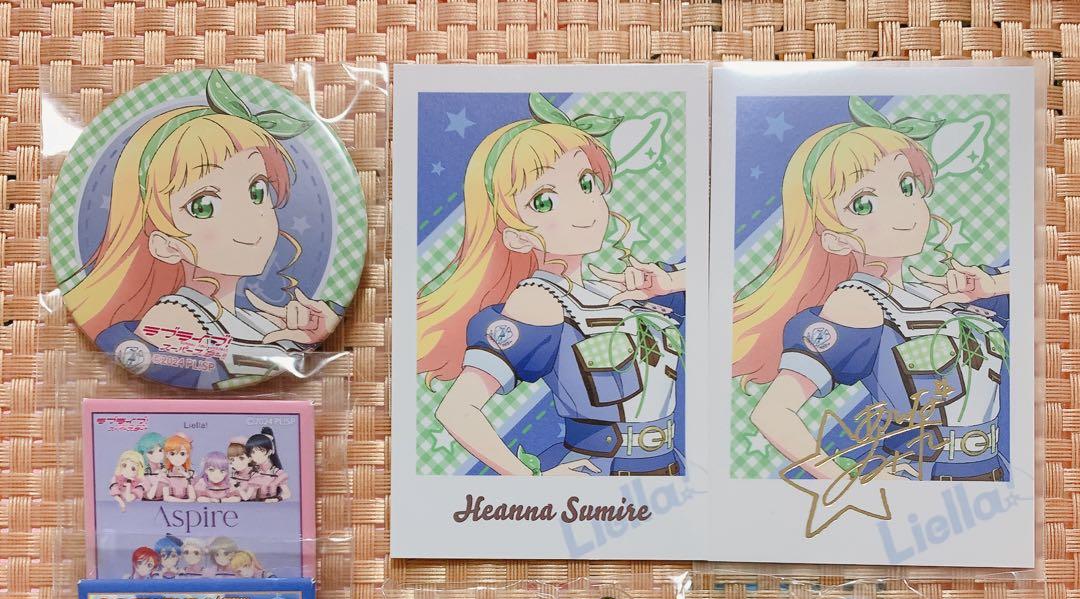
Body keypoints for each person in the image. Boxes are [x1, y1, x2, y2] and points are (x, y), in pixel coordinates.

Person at [733, 96, 1010, 482]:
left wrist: (991, 285)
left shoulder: (939, 293)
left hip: (990, 473)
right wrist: (846, 484)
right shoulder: (858, 303)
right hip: (921, 479)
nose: (902, 209)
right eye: (863, 204)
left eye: (906, 186)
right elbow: (772, 413)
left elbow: (1043, 286)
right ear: (835, 239)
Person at [417, 92, 686, 477]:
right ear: (516, 237)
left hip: (667, 467)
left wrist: (669, 281)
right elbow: (457, 409)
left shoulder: (623, 289)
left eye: (586, 183)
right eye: (544, 201)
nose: (582, 206)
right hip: (601, 476)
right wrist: (531, 483)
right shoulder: (539, 301)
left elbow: (723, 287)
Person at [61, 70, 339, 390]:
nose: (248, 218)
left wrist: (311, 336)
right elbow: (215, 374)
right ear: (165, 245)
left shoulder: (255, 320)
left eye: (257, 191)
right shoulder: (174, 319)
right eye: (203, 205)